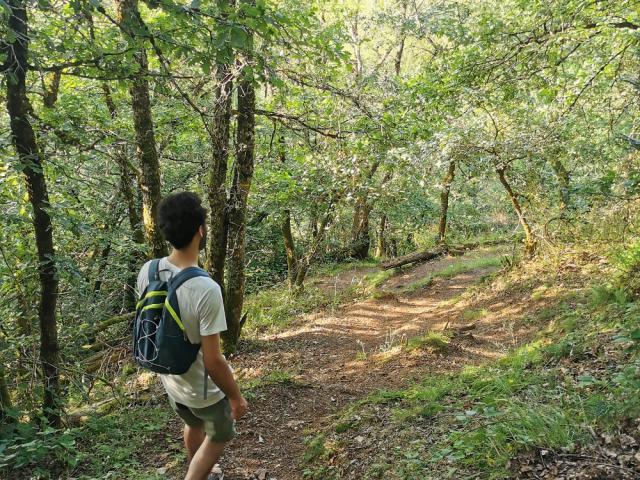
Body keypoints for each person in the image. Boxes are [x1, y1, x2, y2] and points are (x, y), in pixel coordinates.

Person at [137, 191, 248, 480]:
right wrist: (236, 398)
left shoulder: (148, 271)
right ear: (201, 230)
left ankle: (199, 467)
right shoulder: (205, 288)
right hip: (204, 390)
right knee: (220, 434)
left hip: (171, 380)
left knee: (193, 424)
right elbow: (213, 360)